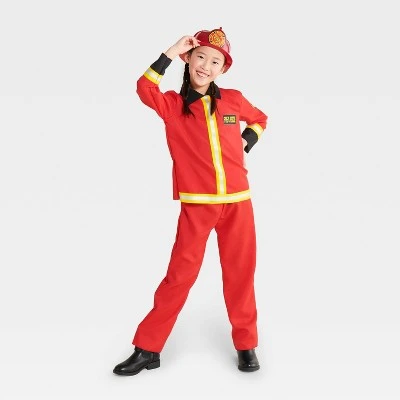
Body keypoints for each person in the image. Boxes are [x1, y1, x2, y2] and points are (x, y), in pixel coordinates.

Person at [113, 27, 268, 376]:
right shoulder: (172, 105)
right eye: (200, 57)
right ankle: (147, 348)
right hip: (198, 207)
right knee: (179, 277)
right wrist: (170, 51)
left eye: (215, 62)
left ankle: (246, 345)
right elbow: (144, 88)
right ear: (188, 59)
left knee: (240, 276)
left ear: (222, 69)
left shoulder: (233, 100)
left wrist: (247, 139)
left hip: (239, 204)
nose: (205, 66)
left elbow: (260, 119)